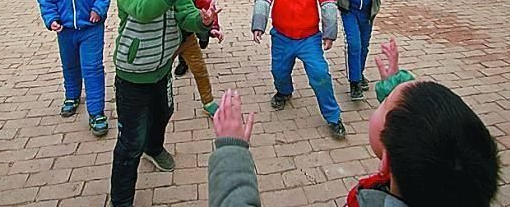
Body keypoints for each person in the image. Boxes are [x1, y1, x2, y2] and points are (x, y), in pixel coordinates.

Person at [207, 39, 501, 207]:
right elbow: (421, 127)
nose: (381, 98)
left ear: (385, 163)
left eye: (383, 103)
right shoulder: (450, 185)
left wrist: (231, 152)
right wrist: (394, 86)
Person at [110, 0, 219, 207]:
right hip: (133, 75)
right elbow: (143, 9)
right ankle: (121, 200)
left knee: (164, 112)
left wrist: (203, 21)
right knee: (130, 142)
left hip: (162, 70)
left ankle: (155, 148)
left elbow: (186, 17)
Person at [251, 0, 345, 139]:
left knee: (320, 75)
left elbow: (327, 0)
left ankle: (333, 117)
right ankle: (284, 92)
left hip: (309, 38)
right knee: (279, 71)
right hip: (282, 36)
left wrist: (329, 32)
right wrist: (258, 24)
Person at [36, 0, 115, 137]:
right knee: (70, 66)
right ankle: (71, 96)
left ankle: (96, 112)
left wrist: (99, 9)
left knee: (92, 68)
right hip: (65, 31)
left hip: (91, 29)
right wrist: (51, 18)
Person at [164, 0, 222, 117]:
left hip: (188, 36)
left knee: (200, 69)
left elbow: (206, 4)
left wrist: (212, 26)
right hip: (166, 38)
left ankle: (208, 102)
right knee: (162, 73)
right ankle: (161, 103)